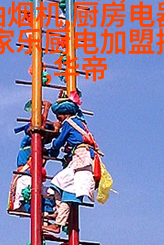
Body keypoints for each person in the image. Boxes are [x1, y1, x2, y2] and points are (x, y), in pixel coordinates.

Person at [42, 100, 100, 234]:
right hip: (81, 159)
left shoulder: (69, 122)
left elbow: (58, 142)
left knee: (69, 190)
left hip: (82, 159)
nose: (59, 119)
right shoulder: (80, 123)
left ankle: (58, 224)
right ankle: (59, 213)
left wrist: (52, 146)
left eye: (59, 116)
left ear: (66, 113)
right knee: (58, 183)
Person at [7, 100, 60, 215]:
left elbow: (54, 151)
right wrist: (46, 109)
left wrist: (57, 130)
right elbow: (38, 127)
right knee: (30, 197)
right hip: (26, 178)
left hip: (35, 179)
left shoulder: (42, 151)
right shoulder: (27, 143)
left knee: (53, 195)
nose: (47, 139)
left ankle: (48, 217)